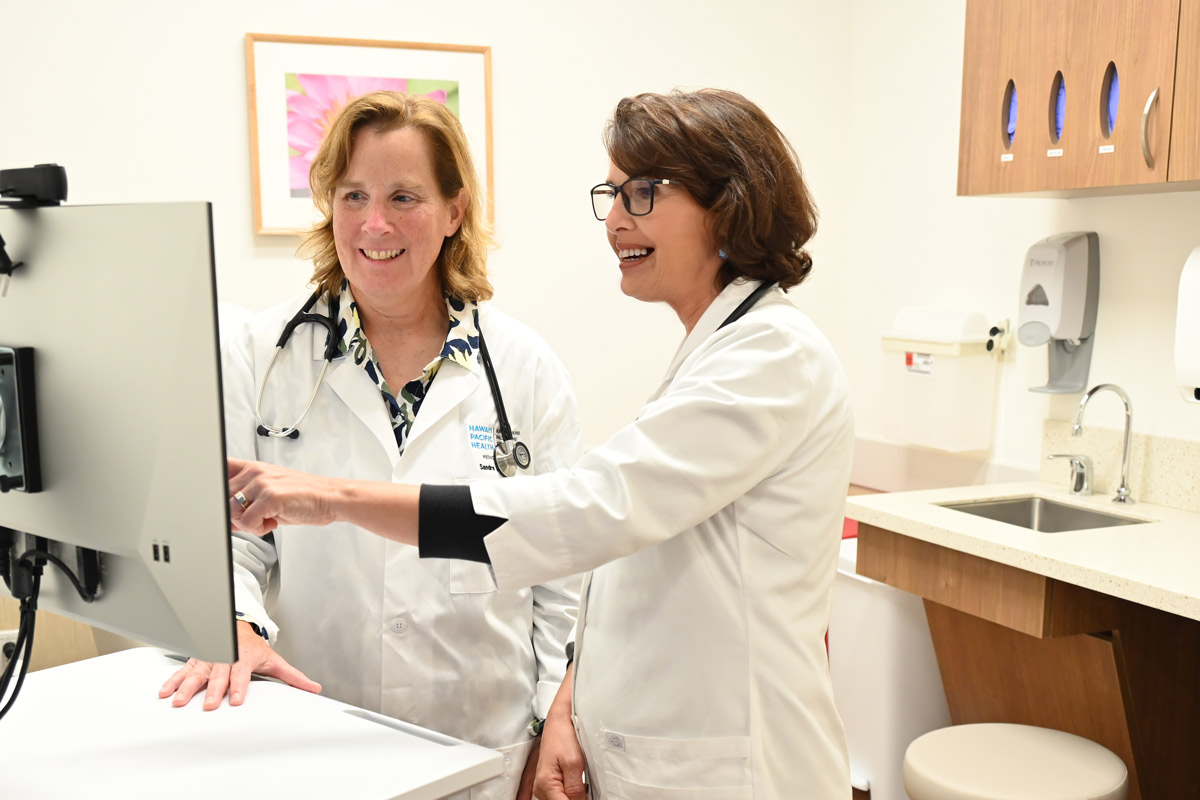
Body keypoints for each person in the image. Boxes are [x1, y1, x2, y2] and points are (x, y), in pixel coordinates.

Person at [226, 88, 855, 799]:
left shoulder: (769, 357)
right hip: (323, 727)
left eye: (642, 193)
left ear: (729, 205)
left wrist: (333, 498)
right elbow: (612, 556)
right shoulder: (717, 351)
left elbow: (584, 517)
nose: (615, 220)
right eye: (612, 195)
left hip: (719, 766)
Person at [159, 91, 583, 800]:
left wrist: (554, 719)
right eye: (353, 195)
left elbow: (565, 569)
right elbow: (227, 534)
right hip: (317, 727)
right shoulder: (261, 355)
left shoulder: (525, 370)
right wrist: (235, 621)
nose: (374, 223)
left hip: (483, 741)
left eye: (404, 196)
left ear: (455, 210)